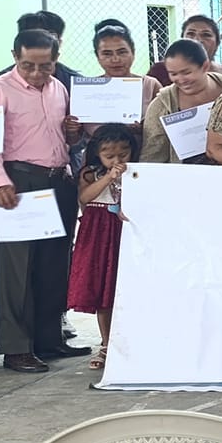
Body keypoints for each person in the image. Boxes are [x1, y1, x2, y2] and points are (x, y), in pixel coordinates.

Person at [0, 28, 85, 373]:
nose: (37, 73)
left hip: (58, 181)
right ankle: (16, 348)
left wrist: (72, 135)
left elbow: (59, 139)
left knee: (54, 264)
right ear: (14, 57)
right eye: (28, 65)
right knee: (17, 269)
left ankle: (48, 339)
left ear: (56, 60)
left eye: (45, 66)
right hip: (18, 181)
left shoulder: (59, 88)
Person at [69, 123, 138, 371]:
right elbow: (85, 197)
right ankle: (107, 344)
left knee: (126, 288)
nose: (117, 160)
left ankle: (131, 342)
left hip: (126, 232)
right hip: (99, 233)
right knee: (104, 290)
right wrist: (109, 177)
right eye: (109, 156)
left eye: (123, 154)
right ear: (97, 154)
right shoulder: (90, 173)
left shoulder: (138, 172)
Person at [141, 38, 222, 165]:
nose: (181, 79)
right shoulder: (162, 106)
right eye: (173, 74)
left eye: (186, 72)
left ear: (205, 66)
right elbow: (152, 155)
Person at [83, 23, 163, 144]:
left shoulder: (150, 86)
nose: (115, 59)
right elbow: (74, 139)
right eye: (107, 54)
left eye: (122, 52)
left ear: (133, 53)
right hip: (97, 155)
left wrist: (144, 129)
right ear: (97, 56)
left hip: (144, 154)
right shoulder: (88, 90)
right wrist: (72, 129)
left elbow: (163, 128)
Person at [147, 14, 222, 82]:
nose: (197, 40)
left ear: (217, 42)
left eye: (206, 35)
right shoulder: (160, 71)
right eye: (191, 34)